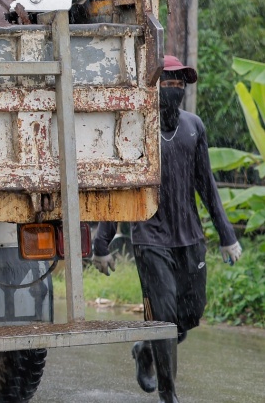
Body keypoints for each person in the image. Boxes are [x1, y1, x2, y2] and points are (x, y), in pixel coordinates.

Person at [92, 55, 243, 403]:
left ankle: (146, 349)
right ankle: (168, 395)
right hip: (150, 239)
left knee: (189, 315)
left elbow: (207, 185)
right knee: (163, 319)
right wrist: (102, 242)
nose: (175, 88)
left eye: (180, 82)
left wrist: (227, 236)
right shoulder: (135, 130)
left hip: (190, 237)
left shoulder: (193, 127)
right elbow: (121, 188)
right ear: (154, 86)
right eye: (168, 81)